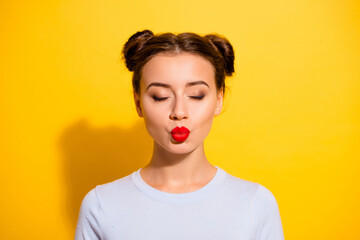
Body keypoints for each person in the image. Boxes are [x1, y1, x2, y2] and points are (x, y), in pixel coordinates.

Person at [74, 29, 284, 240]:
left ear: (218, 99)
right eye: (160, 97)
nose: (179, 112)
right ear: (138, 104)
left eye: (196, 95)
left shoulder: (255, 203)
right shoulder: (101, 205)